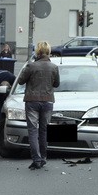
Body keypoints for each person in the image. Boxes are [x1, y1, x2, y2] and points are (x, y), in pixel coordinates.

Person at [15, 40, 60, 170]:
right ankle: (44, 157)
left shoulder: (31, 66)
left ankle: (37, 159)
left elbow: (21, 81)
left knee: (33, 131)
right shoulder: (54, 67)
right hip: (47, 101)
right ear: (48, 52)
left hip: (32, 101)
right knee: (44, 131)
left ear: (38, 52)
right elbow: (56, 84)